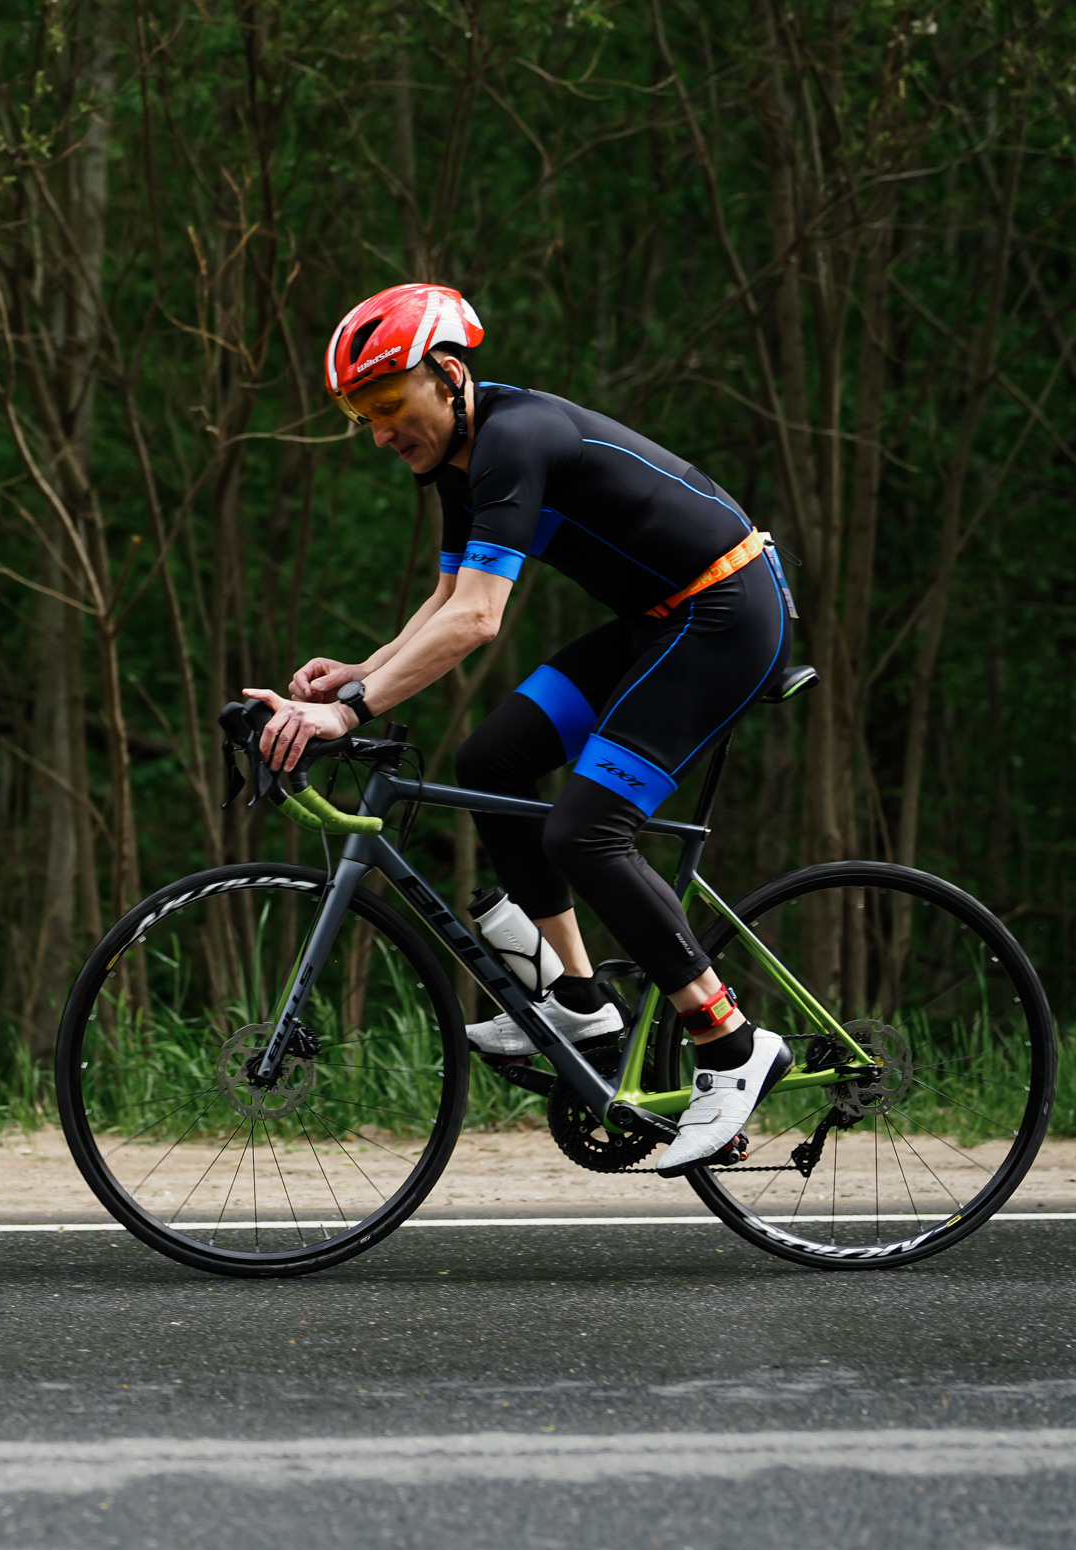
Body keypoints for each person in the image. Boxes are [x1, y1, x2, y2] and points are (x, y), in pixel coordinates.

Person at [244, 283, 794, 1172]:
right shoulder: (458, 463)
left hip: (729, 614)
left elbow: (479, 623)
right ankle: (579, 1000)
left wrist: (346, 711)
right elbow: (446, 599)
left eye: (390, 405)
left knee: (588, 832)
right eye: (364, 417)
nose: (382, 433)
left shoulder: (513, 440)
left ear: (450, 377)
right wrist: (364, 670)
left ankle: (731, 1047)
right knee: (493, 759)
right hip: (662, 619)